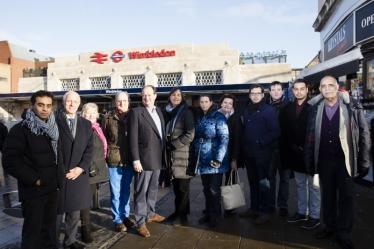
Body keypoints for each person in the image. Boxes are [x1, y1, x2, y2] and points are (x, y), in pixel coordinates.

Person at [305, 76, 370, 249]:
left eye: (330, 85)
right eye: (323, 86)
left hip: (345, 161)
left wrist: (364, 161)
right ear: (319, 89)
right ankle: (330, 227)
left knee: (346, 198)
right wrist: (310, 161)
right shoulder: (315, 108)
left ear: (337, 87)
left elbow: (364, 133)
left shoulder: (352, 106)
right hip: (325, 161)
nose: (327, 89)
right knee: (328, 197)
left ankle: (343, 233)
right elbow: (310, 138)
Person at [2, 90, 63, 249]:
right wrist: (35, 179)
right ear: (32, 105)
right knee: (32, 234)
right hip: (34, 191)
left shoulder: (53, 128)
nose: (45, 109)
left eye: (48, 105)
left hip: (52, 188)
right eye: (41, 104)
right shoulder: (20, 129)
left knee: (49, 231)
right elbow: (9, 161)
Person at [279, 79, 321, 229]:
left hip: (311, 153)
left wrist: (306, 146)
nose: (298, 92)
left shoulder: (315, 106)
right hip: (295, 152)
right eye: (296, 89)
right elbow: (286, 129)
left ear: (307, 90)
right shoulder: (288, 107)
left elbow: (317, 129)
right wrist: (293, 146)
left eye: (301, 89)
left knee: (314, 186)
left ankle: (315, 216)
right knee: (301, 185)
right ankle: (302, 211)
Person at [55, 91, 93, 249]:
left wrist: (81, 168)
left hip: (78, 175)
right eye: (68, 101)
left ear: (79, 104)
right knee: (56, 213)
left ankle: (69, 241)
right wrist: (60, 169)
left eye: (75, 101)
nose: (71, 104)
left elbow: (89, 149)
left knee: (74, 210)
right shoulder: (54, 121)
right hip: (59, 174)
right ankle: (52, 242)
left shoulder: (86, 124)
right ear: (64, 103)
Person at [239, 84, 280, 225]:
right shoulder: (248, 110)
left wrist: (260, 142)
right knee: (253, 183)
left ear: (263, 95)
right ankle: (254, 208)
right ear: (249, 95)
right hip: (249, 153)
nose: (255, 95)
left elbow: (275, 131)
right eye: (253, 93)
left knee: (264, 184)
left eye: (258, 93)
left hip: (262, 153)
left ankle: (264, 212)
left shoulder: (269, 111)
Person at [128, 85, 166, 237]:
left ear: (155, 96)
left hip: (157, 157)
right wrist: (136, 160)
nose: (146, 98)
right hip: (143, 159)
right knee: (141, 191)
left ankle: (150, 214)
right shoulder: (137, 112)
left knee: (153, 189)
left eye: (149, 95)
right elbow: (132, 138)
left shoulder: (158, 111)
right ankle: (140, 222)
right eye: (144, 95)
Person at [102, 92, 135, 233]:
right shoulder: (108, 118)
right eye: (119, 101)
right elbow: (104, 139)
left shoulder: (134, 116)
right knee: (115, 192)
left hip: (129, 159)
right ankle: (117, 219)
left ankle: (125, 215)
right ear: (115, 102)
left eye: (124, 101)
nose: (122, 103)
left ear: (129, 102)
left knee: (126, 191)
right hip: (114, 160)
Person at [194, 93, 229, 228]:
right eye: (201, 102)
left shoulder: (218, 116)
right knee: (206, 188)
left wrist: (218, 158)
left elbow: (224, 138)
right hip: (202, 159)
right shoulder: (199, 117)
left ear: (211, 103)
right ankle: (208, 212)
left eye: (205, 102)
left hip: (215, 159)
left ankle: (215, 215)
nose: (203, 104)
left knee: (214, 189)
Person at [162, 87, 195, 226]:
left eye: (178, 95)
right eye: (173, 95)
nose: (175, 97)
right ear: (169, 97)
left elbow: (190, 134)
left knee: (183, 188)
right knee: (175, 187)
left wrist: (173, 144)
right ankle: (177, 211)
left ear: (182, 98)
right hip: (170, 155)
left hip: (182, 154)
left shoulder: (186, 112)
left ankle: (183, 215)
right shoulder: (166, 112)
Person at [80, 103, 109, 243]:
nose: (90, 115)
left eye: (93, 113)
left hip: (96, 168)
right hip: (88, 170)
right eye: (87, 113)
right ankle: (84, 228)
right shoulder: (84, 129)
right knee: (85, 199)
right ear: (83, 115)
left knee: (90, 196)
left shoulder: (96, 128)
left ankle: (88, 222)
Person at [218, 93, 244, 217]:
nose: (227, 105)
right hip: (217, 156)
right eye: (225, 102)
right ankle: (214, 206)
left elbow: (237, 140)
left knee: (230, 182)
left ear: (233, 105)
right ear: (221, 103)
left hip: (230, 156)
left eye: (230, 103)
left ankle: (229, 207)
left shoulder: (236, 118)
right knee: (215, 183)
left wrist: (234, 159)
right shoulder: (215, 116)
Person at [267, 81, 290, 216]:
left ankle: (283, 204)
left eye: (278, 89)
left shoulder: (288, 106)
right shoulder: (265, 107)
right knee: (270, 178)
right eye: (273, 90)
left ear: (282, 91)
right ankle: (270, 204)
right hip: (269, 148)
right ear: (269, 92)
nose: (276, 92)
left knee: (285, 178)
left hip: (284, 149)